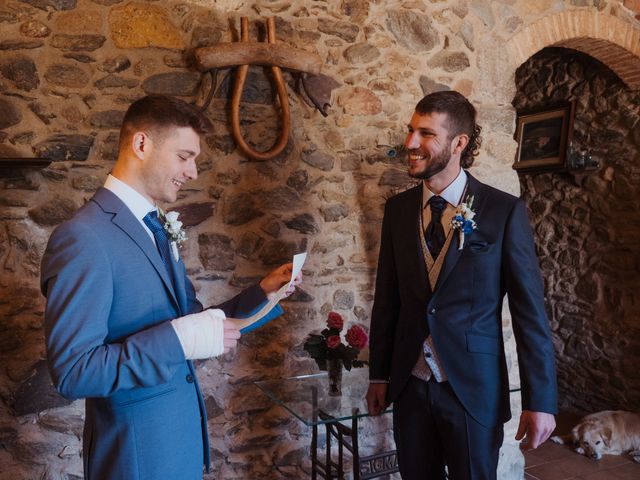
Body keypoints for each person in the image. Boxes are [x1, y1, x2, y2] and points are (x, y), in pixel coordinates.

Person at [41, 95, 298, 480]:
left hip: (180, 450)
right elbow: (74, 371)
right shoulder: (83, 237)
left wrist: (262, 294)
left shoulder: (156, 227)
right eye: (184, 157)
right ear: (141, 145)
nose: (192, 172)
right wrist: (177, 340)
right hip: (137, 459)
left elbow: (193, 328)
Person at [365, 91, 557, 480]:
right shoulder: (397, 211)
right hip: (410, 386)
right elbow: (387, 299)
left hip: (473, 390)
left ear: (459, 144)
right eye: (410, 131)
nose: (410, 144)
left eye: (425, 133)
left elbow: (529, 315)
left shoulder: (504, 212)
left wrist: (541, 401)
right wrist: (379, 374)